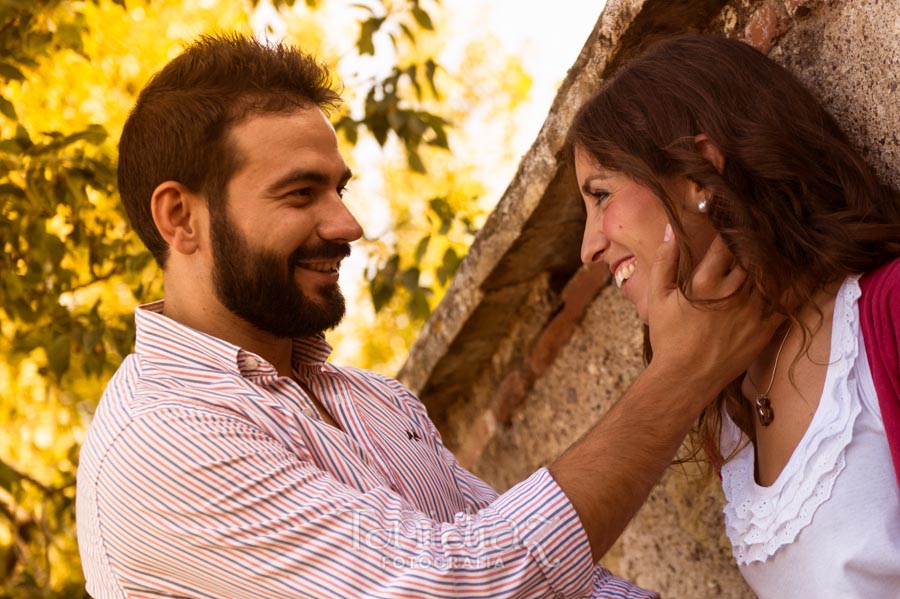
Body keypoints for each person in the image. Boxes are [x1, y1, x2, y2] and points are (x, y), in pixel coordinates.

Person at [76, 33, 776, 598]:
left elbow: (559, 584)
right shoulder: (161, 439)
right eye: (300, 194)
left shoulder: (374, 402)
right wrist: (685, 367)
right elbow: (462, 584)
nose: (346, 223)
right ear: (180, 217)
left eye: (339, 189)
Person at [569, 34, 900, 598]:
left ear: (700, 172)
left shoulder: (886, 315)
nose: (587, 248)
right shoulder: (733, 408)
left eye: (600, 195)